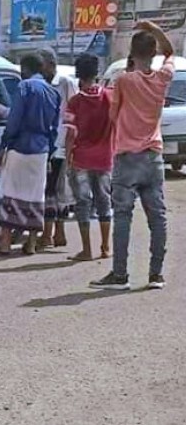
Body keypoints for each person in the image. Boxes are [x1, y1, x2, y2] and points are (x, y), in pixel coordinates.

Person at [91, 21, 174, 291]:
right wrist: (155, 29)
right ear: (153, 53)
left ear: (132, 53)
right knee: (157, 216)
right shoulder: (163, 78)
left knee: (123, 216)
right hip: (153, 156)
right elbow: (170, 52)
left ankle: (119, 274)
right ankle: (156, 274)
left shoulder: (124, 80)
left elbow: (113, 115)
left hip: (127, 157)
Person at [0, 53, 60, 256]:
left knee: (10, 194)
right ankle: (32, 244)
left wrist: (3, 146)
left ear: (24, 69)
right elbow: (54, 129)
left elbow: (14, 121)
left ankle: (5, 243)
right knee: (35, 196)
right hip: (41, 150)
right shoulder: (53, 92)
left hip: (21, 147)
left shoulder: (25, 87)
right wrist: (49, 153)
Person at [64, 54, 113, 261]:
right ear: (97, 74)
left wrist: (67, 157)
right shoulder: (110, 97)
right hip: (105, 158)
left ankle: (86, 250)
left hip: (81, 159)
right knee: (104, 201)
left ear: (78, 76)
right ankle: (105, 247)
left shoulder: (75, 102)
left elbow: (70, 133)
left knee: (82, 203)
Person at [39, 49, 77, 250]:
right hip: (48, 144)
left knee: (55, 190)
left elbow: (74, 112)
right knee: (51, 190)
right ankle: (53, 233)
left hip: (61, 144)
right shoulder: (43, 84)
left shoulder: (65, 83)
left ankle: (50, 234)